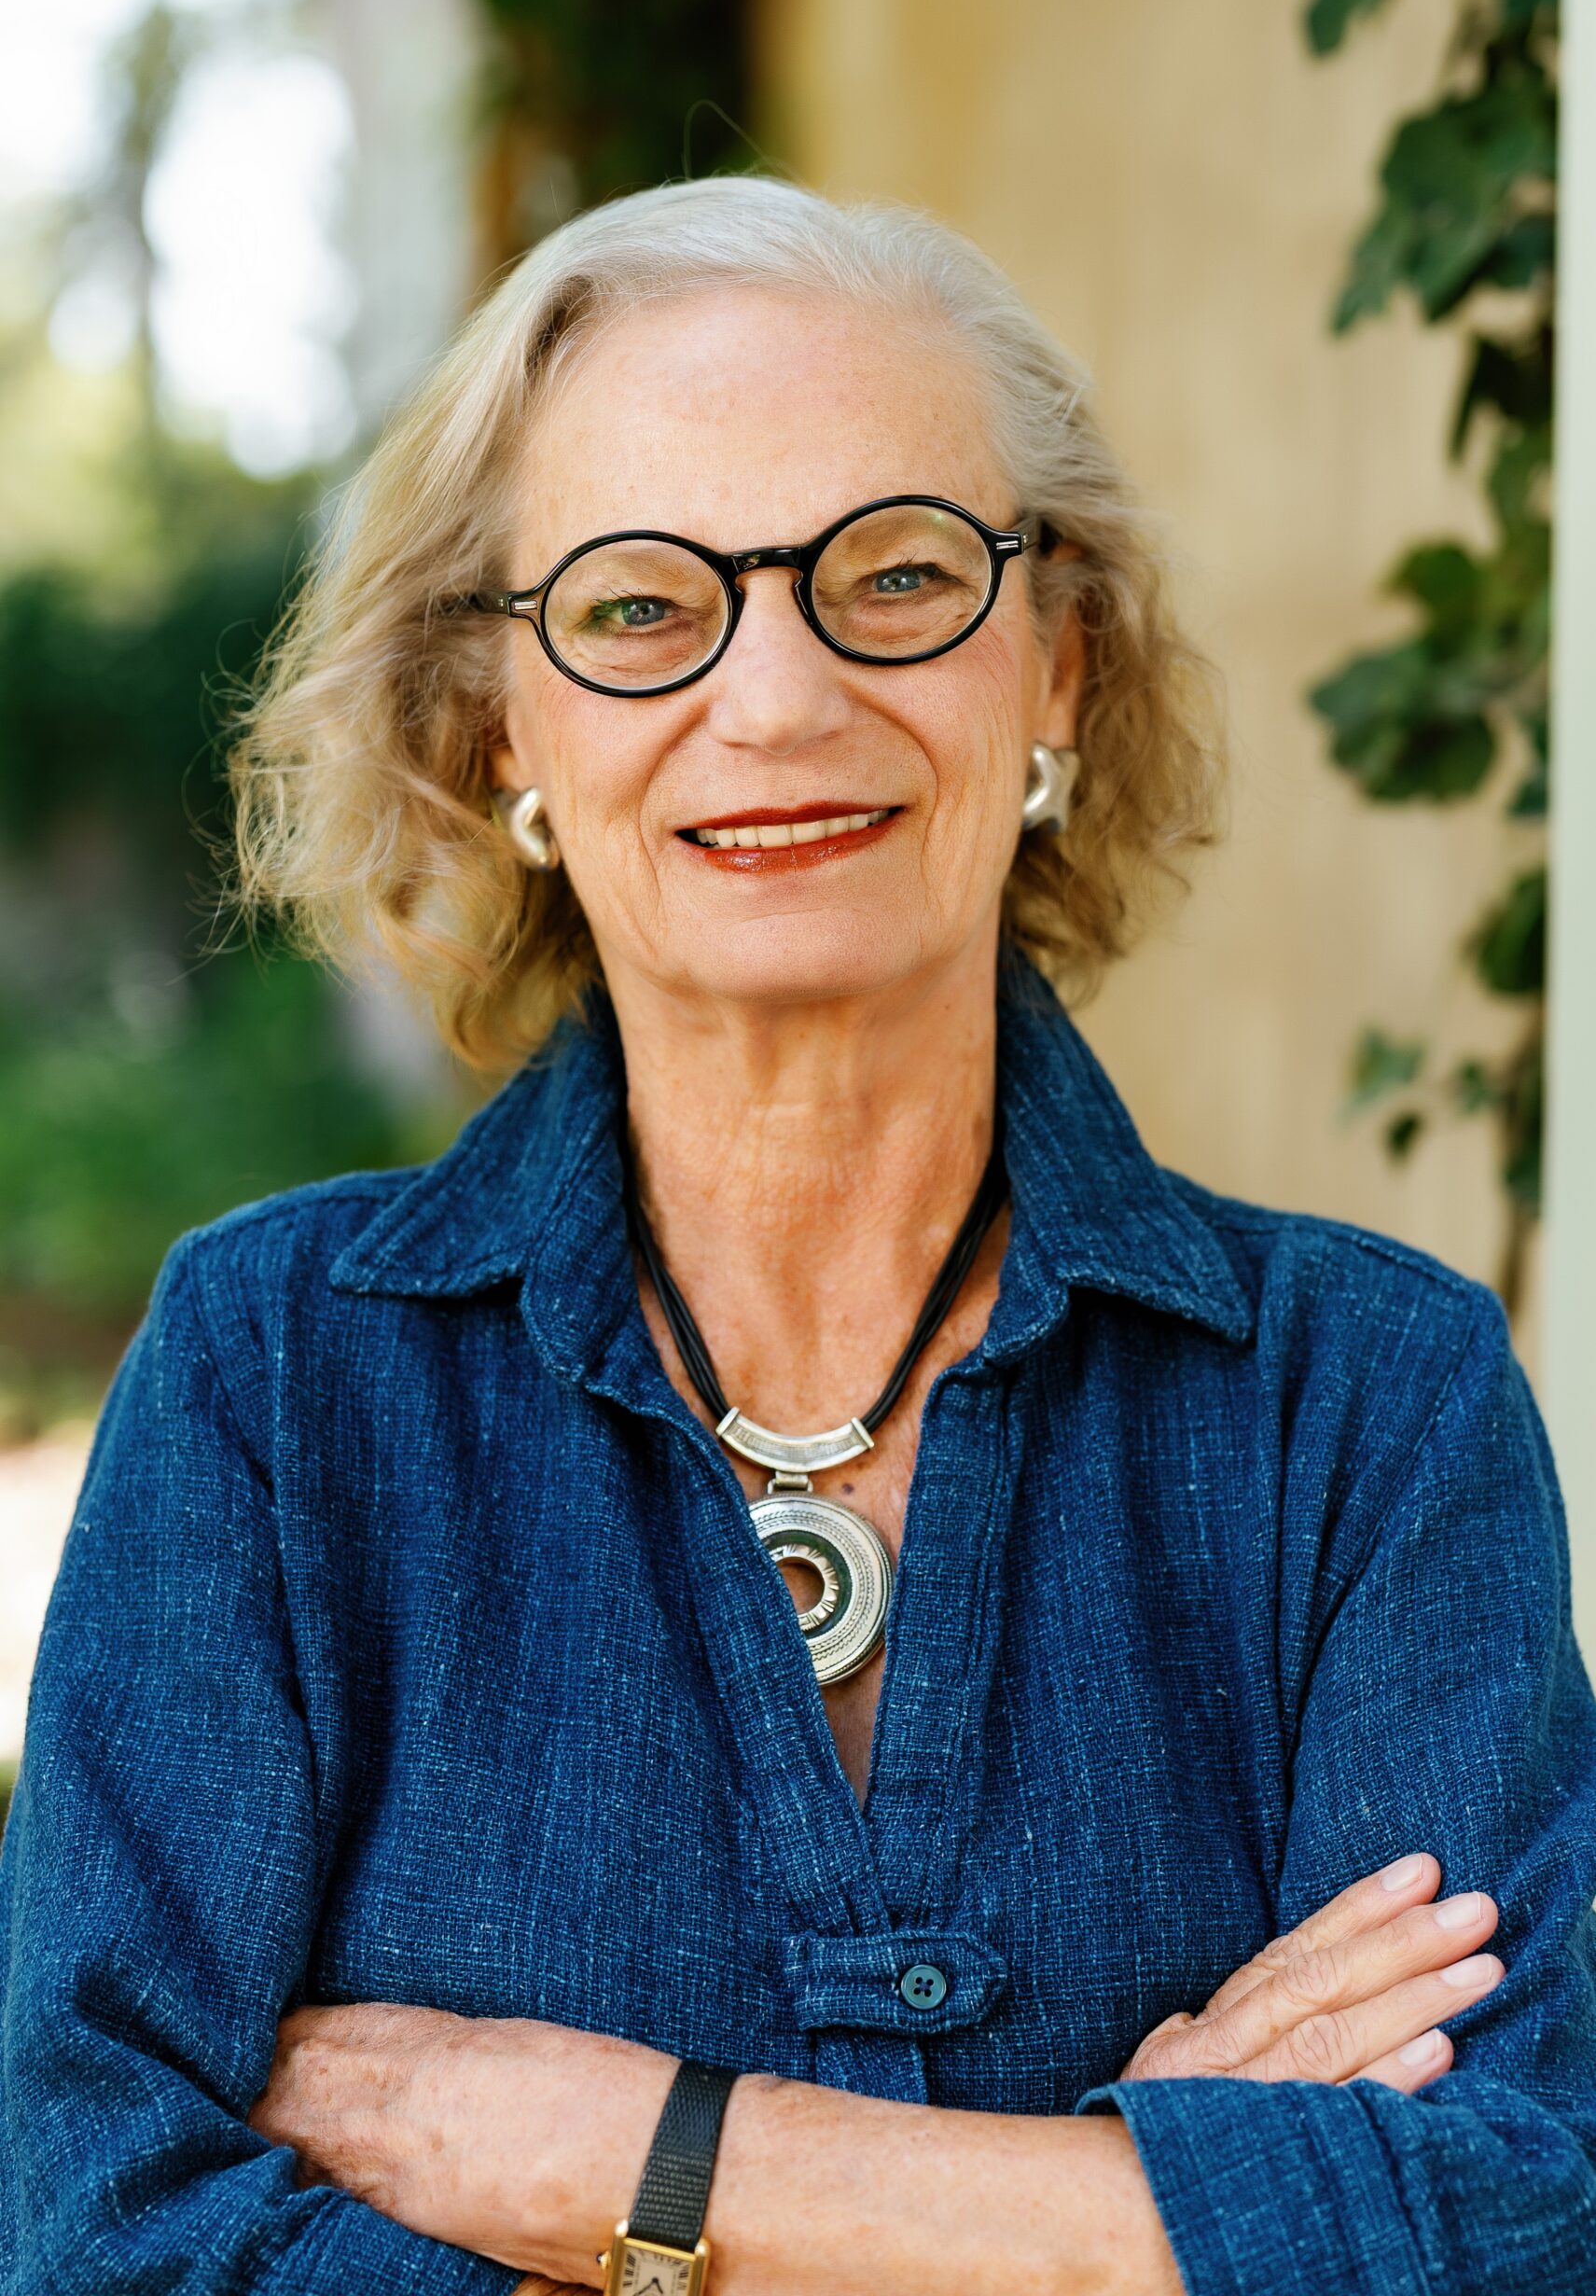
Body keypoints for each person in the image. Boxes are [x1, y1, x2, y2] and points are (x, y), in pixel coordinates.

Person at [2, 175, 1592, 2296]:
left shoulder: (1374, 1400)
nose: (775, 697)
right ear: (502, 725)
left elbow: (1513, 2224)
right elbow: (100, 2233)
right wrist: (1123, 2219)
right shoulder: (272, 1378)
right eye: (640, 607)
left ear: (1058, 664)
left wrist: (625, 2158)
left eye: (899, 574)